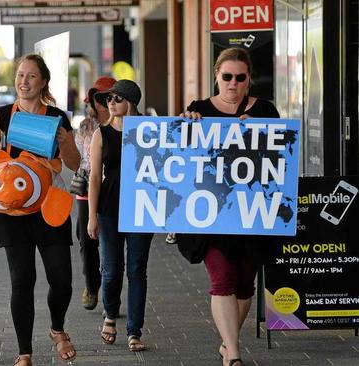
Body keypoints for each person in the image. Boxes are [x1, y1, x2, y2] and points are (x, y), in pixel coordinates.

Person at [178, 47, 280, 366]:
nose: (233, 83)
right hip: (210, 213)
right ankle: (234, 355)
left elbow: (280, 162)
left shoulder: (265, 111)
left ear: (249, 79)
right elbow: (180, 158)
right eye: (227, 77)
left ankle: (227, 343)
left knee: (244, 286)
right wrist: (185, 126)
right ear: (216, 77)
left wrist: (260, 133)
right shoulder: (198, 110)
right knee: (222, 279)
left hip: (252, 213)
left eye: (240, 77)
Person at [0, 54, 80, 366]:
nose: (24, 81)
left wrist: (64, 142)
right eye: (20, 75)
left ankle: (57, 329)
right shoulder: (3, 115)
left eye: (31, 76)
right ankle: (24, 353)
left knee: (62, 279)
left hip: (50, 207)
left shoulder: (58, 117)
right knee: (22, 280)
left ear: (43, 81)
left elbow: (75, 164)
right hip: (13, 212)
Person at [87, 79, 154, 353]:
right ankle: (110, 315)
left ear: (130, 103)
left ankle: (135, 330)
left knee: (137, 271)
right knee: (112, 270)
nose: (110, 104)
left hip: (142, 208)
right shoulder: (101, 133)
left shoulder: (149, 132)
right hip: (110, 207)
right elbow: (94, 177)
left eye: (116, 98)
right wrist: (91, 216)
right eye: (108, 99)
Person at [74, 76, 115, 310]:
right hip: (87, 186)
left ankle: (111, 291)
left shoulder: (126, 122)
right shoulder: (85, 126)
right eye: (99, 97)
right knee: (86, 239)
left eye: (110, 96)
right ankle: (91, 285)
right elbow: (80, 159)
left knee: (111, 242)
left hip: (113, 188)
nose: (104, 102)